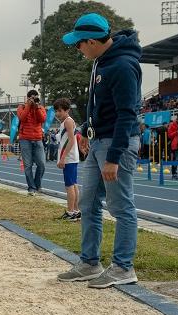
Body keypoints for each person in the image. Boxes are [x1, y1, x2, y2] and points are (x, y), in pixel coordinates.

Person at [58, 13, 142, 288]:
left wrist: (114, 157)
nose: (77, 49)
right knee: (88, 203)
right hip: (97, 142)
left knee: (120, 205)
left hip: (115, 144)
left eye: (78, 44)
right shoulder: (100, 63)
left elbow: (127, 115)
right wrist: (85, 129)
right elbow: (100, 106)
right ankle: (90, 262)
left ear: (92, 41)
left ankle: (123, 267)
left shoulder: (123, 66)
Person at [54, 98, 81, 221]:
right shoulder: (66, 122)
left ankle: (71, 212)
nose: (57, 113)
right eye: (56, 111)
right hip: (71, 157)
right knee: (74, 184)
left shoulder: (68, 122)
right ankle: (76, 210)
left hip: (69, 158)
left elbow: (71, 140)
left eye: (60, 110)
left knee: (69, 185)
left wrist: (63, 158)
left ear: (67, 110)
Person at [17, 89, 47, 195]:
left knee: (42, 164)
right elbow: (22, 118)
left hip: (38, 138)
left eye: (36, 97)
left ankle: (37, 184)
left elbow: (42, 119)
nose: (34, 99)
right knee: (28, 165)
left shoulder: (40, 108)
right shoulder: (22, 107)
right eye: (32, 97)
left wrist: (37, 107)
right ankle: (31, 188)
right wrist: (28, 106)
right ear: (28, 98)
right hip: (25, 139)